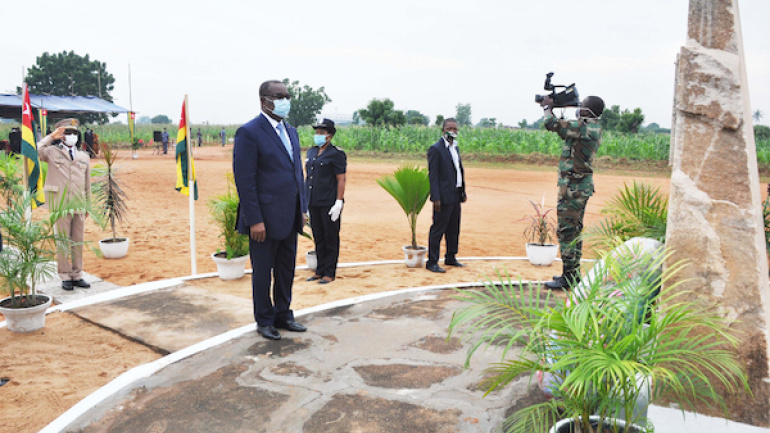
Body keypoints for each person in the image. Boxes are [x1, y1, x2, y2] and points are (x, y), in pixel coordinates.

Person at [233, 80, 307, 341]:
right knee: (263, 272)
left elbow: (298, 173)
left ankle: (284, 314)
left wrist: (303, 208)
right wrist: (254, 219)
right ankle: (264, 319)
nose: (285, 100)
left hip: (290, 215)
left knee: (286, 269)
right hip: (263, 219)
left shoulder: (292, 131)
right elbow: (245, 180)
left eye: (287, 95)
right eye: (279, 96)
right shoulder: (250, 132)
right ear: (264, 100)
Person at [539, 95, 605, 290]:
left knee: (567, 232)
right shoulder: (588, 128)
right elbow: (564, 131)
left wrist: (547, 107)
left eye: (581, 106)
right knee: (575, 232)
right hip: (579, 187)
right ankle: (572, 274)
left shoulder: (583, 128)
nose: (578, 108)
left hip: (573, 189)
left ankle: (568, 277)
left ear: (588, 111)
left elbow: (551, 124)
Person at [37, 118, 91, 291]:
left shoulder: (84, 156)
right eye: (68, 133)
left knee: (77, 241)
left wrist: (88, 204)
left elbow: (87, 182)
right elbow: (37, 150)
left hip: (79, 203)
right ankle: (65, 276)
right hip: (60, 203)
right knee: (62, 241)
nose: (72, 136)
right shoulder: (52, 152)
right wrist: (51, 137)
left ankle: (77, 275)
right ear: (61, 135)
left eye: (74, 133)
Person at [305, 119, 346, 284]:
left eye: (321, 132)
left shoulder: (336, 154)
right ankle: (319, 270)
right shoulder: (311, 152)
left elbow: (341, 179)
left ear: (329, 135)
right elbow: (308, 176)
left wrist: (339, 201)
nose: (318, 135)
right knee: (318, 237)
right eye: (317, 132)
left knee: (330, 237)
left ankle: (329, 272)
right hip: (313, 201)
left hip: (329, 203)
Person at [426, 118, 467, 273]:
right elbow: (433, 175)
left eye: (455, 128)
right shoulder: (436, 149)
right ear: (443, 130)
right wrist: (435, 197)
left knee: (454, 228)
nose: (452, 131)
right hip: (442, 197)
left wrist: (463, 191)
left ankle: (450, 257)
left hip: (455, 194)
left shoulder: (455, 148)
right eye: (449, 128)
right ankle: (432, 262)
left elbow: (458, 171)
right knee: (438, 228)